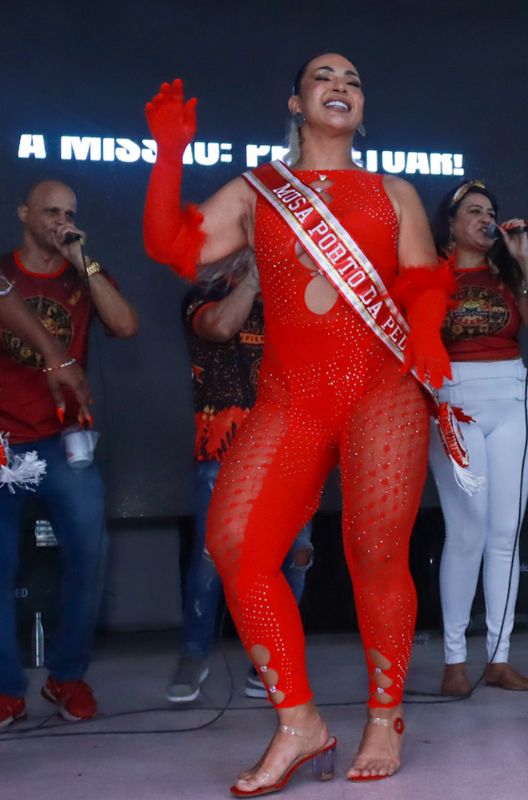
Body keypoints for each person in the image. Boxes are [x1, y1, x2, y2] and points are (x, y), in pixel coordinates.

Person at [142, 54, 456, 792]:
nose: (341, 86)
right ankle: (299, 723)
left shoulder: (394, 192)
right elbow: (172, 245)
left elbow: (422, 279)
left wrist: (428, 330)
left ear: (362, 107)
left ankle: (386, 716)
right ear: (296, 102)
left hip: (383, 390)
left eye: (353, 79)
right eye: (324, 77)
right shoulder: (259, 191)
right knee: (235, 544)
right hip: (292, 398)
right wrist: (169, 155)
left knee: (376, 553)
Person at [0, 180, 138, 727]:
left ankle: (67, 676)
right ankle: (6, 689)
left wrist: (83, 261)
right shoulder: (4, 273)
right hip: (3, 443)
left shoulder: (82, 276)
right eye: (51, 212)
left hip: (62, 443)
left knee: (89, 555)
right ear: (24, 213)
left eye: (69, 213)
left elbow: (125, 324)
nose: (61, 220)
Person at [165, 249, 315, 704]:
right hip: (224, 446)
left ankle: (269, 658)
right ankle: (194, 654)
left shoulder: (291, 300)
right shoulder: (203, 295)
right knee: (212, 557)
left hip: (288, 444)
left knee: (295, 555)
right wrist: (253, 278)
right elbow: (221, 327)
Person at [427, 180, 528, 696]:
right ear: (451, 223)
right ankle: (455, 660)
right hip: (455, 402)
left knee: (505, 533)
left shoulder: (508, 274)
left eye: (490, 212)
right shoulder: (429, 273)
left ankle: (498, 657)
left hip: (511, 399)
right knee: (468, 530)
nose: (485, 218)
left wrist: (525, 261)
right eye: (474, 211)